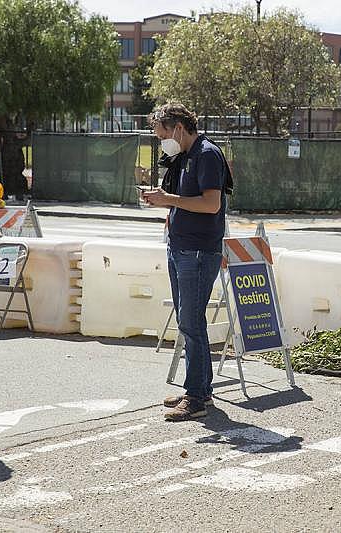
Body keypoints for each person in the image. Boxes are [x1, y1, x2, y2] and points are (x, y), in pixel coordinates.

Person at [142, 103, 229, 422]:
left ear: (179, 128)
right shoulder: (186, 156)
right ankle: (199, 389)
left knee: (191, 323)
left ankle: (196, 397)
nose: (161, 140)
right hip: (181, 248)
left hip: (197, 251)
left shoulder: (206, 154)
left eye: (162, 134)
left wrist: (170, 201)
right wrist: (164, 201)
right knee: (189, 322)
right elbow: (183, 199)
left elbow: (211, 203)